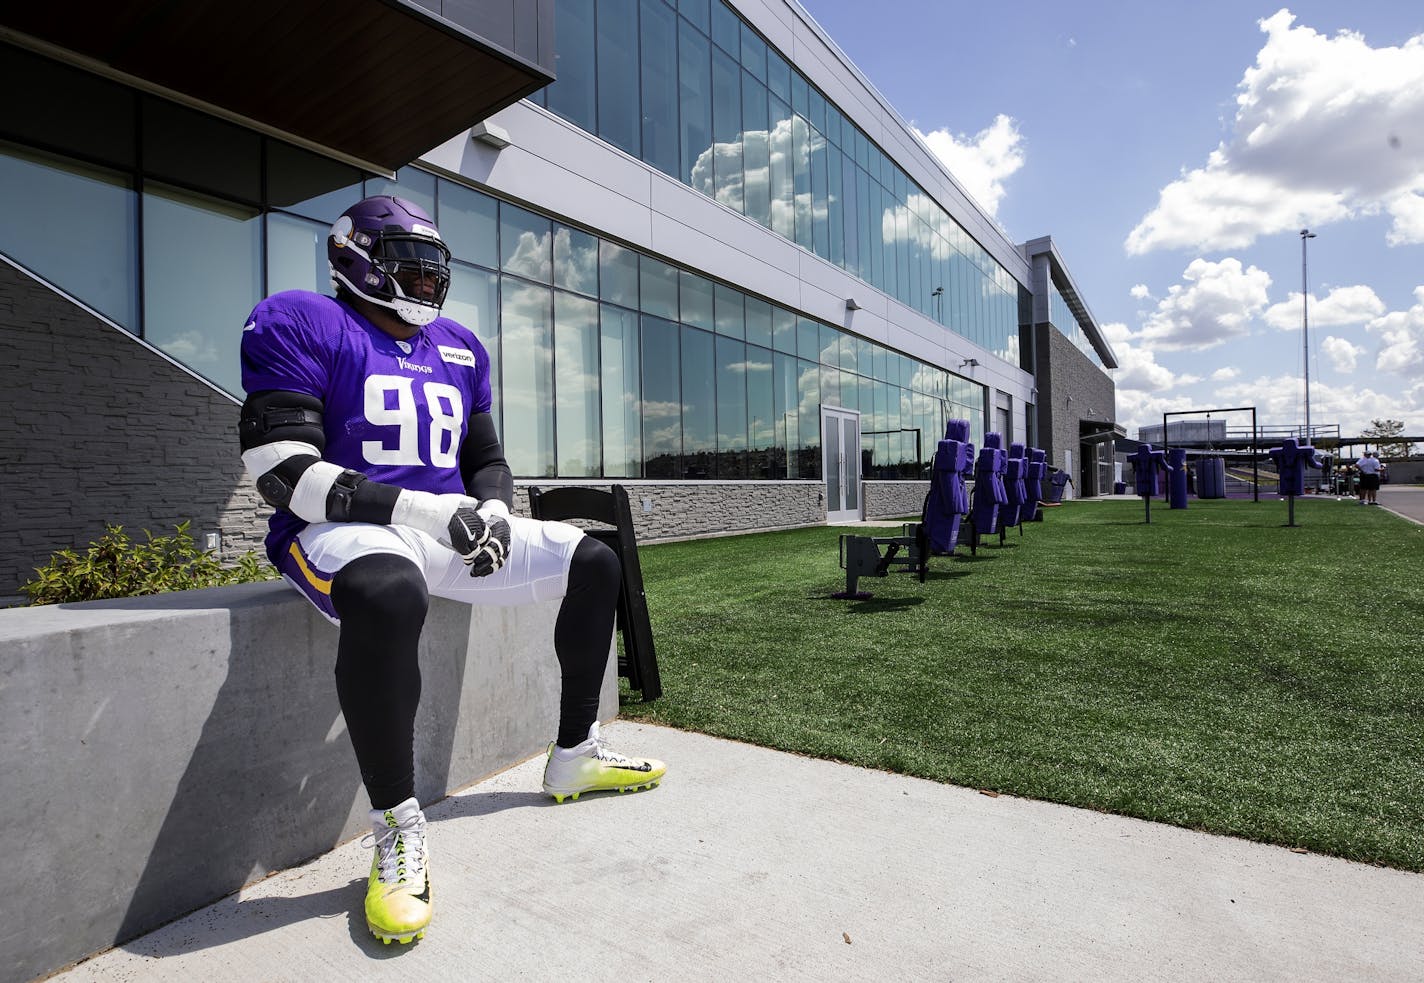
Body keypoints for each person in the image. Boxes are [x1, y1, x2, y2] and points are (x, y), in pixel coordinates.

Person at [237, 195, 666, 945]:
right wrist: (436, 515)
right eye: (411, 268)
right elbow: (283, 474)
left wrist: (493, 513)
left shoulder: (462, 347)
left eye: (434, 272)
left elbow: (487, 461)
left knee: (593, 560)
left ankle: (574, 754)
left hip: (447, 530)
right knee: (390, 590)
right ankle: (398, 828)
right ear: (356, 261)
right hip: (342, 530)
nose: (427, 285)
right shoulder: (302, 320)